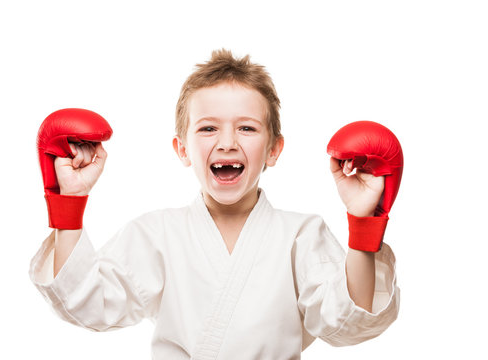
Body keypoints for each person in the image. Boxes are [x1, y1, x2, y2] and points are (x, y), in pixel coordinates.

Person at [30, 49, 399, 359]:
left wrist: (362, 220)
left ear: (274, 150)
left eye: (247, 128)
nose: (226, 143)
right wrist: (69, 203)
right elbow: (87, 304)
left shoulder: (302, 235)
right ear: (182, 149)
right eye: (207, 128)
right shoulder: (157, 233)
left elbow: (349, 323)